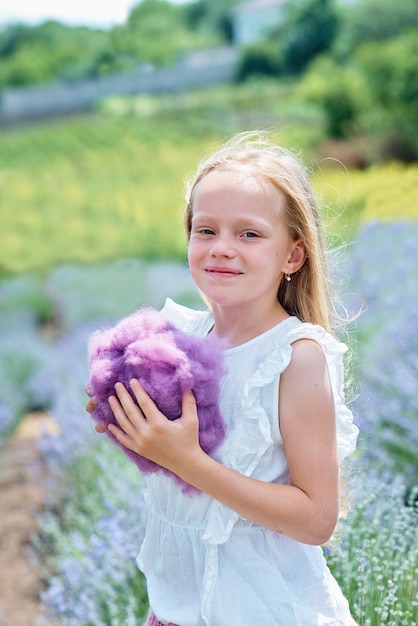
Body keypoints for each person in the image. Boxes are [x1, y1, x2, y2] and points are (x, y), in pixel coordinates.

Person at [87, 131, 359, 626]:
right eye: (205, 230)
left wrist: (187, 460)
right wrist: (129, 419)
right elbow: (181, 490)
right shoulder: (181, 340)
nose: (221, 249)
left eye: (249, 234)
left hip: (263, 612)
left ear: (293, 256)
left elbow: (317, 518)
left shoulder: (294, 358)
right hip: (176, 610)